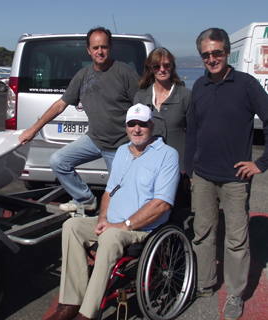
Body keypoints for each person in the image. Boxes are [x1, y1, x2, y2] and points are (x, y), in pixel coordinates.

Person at [47, 104, 180, 320]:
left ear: (151, 126)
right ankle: (71, 303)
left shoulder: (167, 155)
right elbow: (109, 191)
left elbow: (162, 204)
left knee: (109, 236)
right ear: (126, 127)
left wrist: (122, 225)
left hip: (142, 229)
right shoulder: (121, 152)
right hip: (113, 223)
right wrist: (102, 218)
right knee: (71, 226)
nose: (137, 129)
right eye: (131, 124)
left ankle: (87, 314)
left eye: (142, 124)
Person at [184, 28, 268, 320]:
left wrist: (261, 163)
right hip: (203, 176)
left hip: (236, 179)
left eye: (217, 52)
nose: (211, 58)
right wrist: (190, 170)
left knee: (236, 239)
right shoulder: (199, 86)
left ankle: (234, 293)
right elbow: (193, 130)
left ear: (227, 52)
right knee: (202, 233)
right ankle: (205, 283)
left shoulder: (246, 84)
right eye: (206, 54)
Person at [18, 27, 140, 213]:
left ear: (111, 47)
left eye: (104, 47)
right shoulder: (83, 75)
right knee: (58, 161)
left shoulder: (125, 73)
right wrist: (33, 130)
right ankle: (85, 198)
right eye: (96, 47)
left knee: (121, 201)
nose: (100, 51)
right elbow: (60, 105)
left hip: (120, 146)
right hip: (94, 140)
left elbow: (142, 108)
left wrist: (142, 143)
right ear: (88, 50)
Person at [133, 48, 191, 217]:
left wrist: (190, 171)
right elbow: (134, 134)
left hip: (178, 169)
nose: (162, 69)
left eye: (166, 65)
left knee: (175, 215)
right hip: (148, 168)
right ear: (150, 69)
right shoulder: (141, 97)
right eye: (156, 66)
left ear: (172, 67)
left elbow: (194, 135)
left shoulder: (186, 96)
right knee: (148, 214)